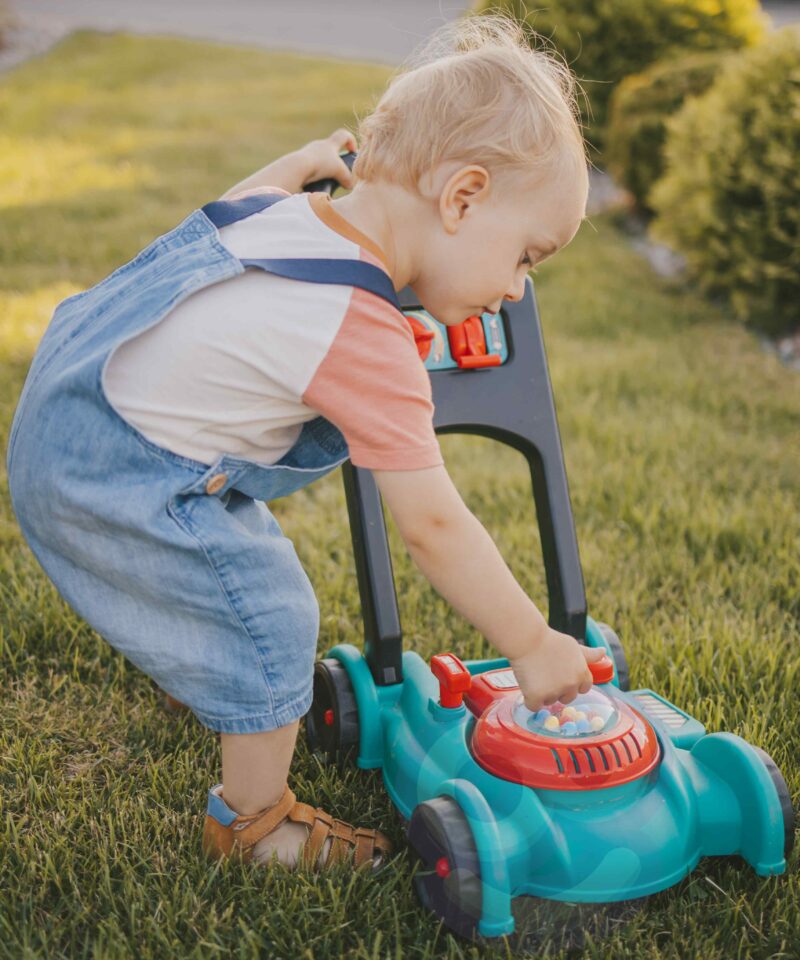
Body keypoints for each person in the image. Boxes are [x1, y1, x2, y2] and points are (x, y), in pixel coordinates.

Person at [5, 12, 605, 876]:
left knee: (222, 559)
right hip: (118, 472)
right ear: (462, 197)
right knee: (271, 614)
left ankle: (208, 672)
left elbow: (255, 191)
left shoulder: (291, 212)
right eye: (526, 258)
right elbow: (435, 526)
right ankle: (253, 827)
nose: (515, 289)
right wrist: (533, 645)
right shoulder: (362, 333)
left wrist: (305, 159)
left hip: (65, 408)